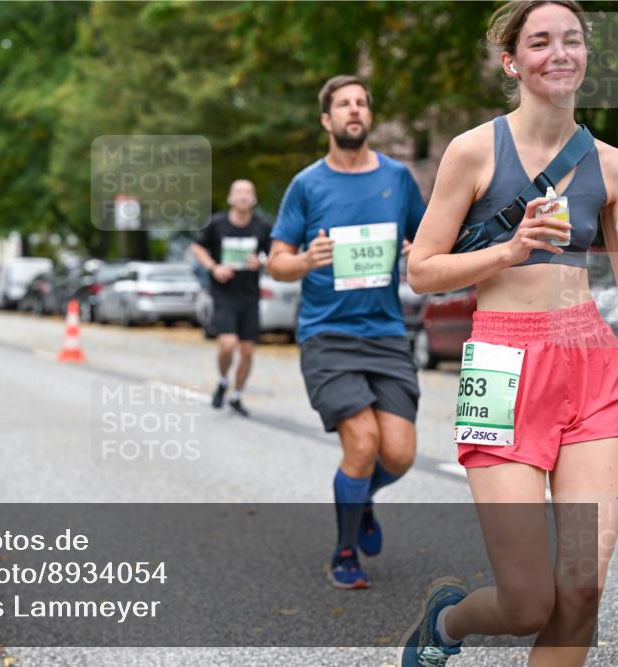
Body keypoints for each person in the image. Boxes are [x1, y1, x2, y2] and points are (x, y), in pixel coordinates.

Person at [398, 2, 617, 665]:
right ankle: (447, 623)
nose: (559, 52)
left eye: (572, 40)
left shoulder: (609, 165)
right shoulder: (473, 151)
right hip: (501, 365)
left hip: (589, 363)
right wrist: (507, 251)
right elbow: (421, 270)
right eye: (541, 41)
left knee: (581, 585)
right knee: (528, 603)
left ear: (586, 57)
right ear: (513, 62)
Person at [267, 75, 425, 589]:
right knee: (362, 444)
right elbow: (276, 263)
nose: (354, 110)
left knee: (398, 453)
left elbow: (428, 239)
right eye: (343, 104)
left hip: (385, 333)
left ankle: (361, 497)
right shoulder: (307, 184)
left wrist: (416, 251)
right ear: (327, 120)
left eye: (361, 102)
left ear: (369, 117)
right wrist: (305, 259)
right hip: (327, 334)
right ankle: (344, 551)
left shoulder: (398, 178)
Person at [191, 179, 272, 417]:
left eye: (248, 192)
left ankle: (236, 395)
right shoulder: (217, 224)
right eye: (238, 192)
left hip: (249, 295)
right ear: (230, 198)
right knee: (227, 344)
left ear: (254, 199)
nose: (243, 196)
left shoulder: (262, 227)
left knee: (247, 351)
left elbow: (274, 253)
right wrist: (213, 267)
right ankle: (222, 380)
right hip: (223, 294)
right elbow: (198, 248)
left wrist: (262, 262)